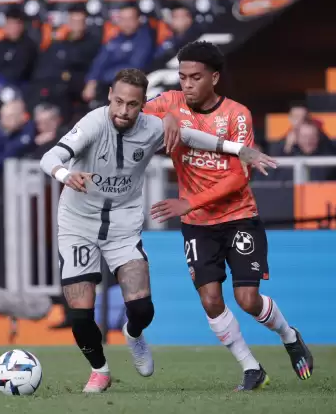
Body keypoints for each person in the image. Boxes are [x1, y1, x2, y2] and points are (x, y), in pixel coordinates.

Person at [39, 68, 275, 393]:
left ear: (142, 104)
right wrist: (65, 174)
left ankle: (133, 334)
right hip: (78, 224)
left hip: (122, 225)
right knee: (80, 314)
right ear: (110, 95)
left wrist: (238, 150)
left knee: (142, 309)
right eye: (118, 102)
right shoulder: (93, 124)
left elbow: (193, 137)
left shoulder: (152, 127)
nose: (123, 111)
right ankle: (100, 370)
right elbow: (50, 156)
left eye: (132, 105)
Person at [145, 41, 313, 391]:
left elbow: (239, 177)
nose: (187, 84)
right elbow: (136, 113)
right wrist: (168, 116)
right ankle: (252, 368)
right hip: (198, 227)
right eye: (182, 77)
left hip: (239, 217)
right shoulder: (170, 102)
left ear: (214, 78)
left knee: (247, 300)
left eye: (195, 77)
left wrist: (190, 202)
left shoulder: (237, 114)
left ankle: (289, 335)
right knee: (210, 300)